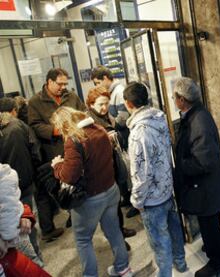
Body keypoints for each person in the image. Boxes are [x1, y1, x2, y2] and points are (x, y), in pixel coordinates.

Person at [50, 107, 133, 277]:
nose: (58, 132)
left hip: (90, 199)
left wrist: (57, 165)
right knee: (114, 231)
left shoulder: (75, 140)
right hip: (111, 190)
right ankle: (123, 268)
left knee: (83, 240)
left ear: (65, 124)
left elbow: (69, 176)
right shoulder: (99, 129)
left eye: (59, 127)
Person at [123, 82, 188, 277]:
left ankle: (165, 274)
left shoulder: (138, 132)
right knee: (175, 231)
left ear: (128, 104)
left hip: (152, 198)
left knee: (159, 241)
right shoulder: (159, 118)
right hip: (167, 189)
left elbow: (141, 173)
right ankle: (181, 263)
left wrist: (137, 200)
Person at [173, 77, 220, 277]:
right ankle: (216, 249)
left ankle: (217, 262)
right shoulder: (195, 115)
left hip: (205, 187)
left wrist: (180, 166)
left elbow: (203, 161)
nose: (173, 100)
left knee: (209, 222)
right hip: (205, 186)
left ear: (182, 100)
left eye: (174, 97)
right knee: (210, 223)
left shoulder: (198, 121)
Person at [28, 68, 84, 241]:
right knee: (55, 187)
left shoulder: (72, 96)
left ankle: (75, 214)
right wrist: (55, 130)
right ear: (49, 82)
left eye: (65, 84)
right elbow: (34, 125)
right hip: (53, 151)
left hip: (74, 146)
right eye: (59, 84)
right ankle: (58, 220)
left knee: (75, 181)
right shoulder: (35, 102)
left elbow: (82, 113)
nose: (63, 87)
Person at [86, 87, 137, 246]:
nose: (104, 107)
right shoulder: (90, 122)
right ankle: (118, 240)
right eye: (100, 104)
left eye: (106, 103)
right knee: (109, 210)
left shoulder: (106, 116)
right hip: (101, 170)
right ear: (91, 104)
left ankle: (120, 230)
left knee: (115, 204)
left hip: (112, 163)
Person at [91, 66, 138, 218]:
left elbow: (123, 117)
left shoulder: (118, 91)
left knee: (129, 171)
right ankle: (127, 198)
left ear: (106, 77)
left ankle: (133, 202)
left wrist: (113, 126)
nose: (97, 86)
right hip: (118, 139)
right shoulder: (111, 94)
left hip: (123, 137)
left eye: (98, 82)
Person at [0, 97, 42, 258]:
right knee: (28, 227)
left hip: (7, 193)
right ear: (13, 111)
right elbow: (34, 151)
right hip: (23, 185)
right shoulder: (19, 126)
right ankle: (36, 260)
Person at [0, 163, 50, 276]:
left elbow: (11, 200)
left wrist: (24, 215)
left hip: (16, 246)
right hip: (10, 254)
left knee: (35, 262)